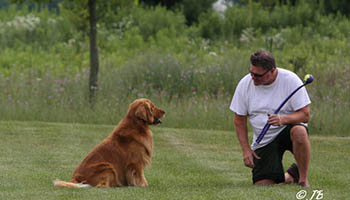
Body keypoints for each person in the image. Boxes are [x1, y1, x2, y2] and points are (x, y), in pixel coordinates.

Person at [229, 49, 311, 187]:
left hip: (288, 129)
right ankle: (291, 176)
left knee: (299, 131)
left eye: (258, 75)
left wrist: (282, 120)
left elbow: (305, 115)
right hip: (264, 139)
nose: (253, 77)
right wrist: (246, 149)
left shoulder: (291, 80)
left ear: (272, 71)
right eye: (251, 73)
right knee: (263, 185)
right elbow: (239, 119)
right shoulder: (245, 84)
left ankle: (303, 179)